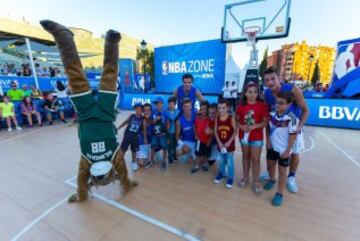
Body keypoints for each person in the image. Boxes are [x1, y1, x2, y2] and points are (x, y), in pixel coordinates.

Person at [40, 19, 136, 203]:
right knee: (77, 74)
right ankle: (101, 41)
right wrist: (127, 184)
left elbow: (86, 182)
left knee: (103, 75)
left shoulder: (103, 160)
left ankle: (70, 39)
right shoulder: (89, 162)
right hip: (99, 115)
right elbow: (84, 181)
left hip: (97, 114)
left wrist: (81, 196)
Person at [262, 66, 308, 193]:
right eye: (267, 80)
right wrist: (267, 138)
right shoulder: (266, 94)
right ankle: (270, 173)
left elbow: (305, 110)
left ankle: (291, 177)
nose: (270, 82)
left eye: (273, 79)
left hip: (293, 126)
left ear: (279, 78)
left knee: (294, 152)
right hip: (277, 127)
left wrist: (299, 128)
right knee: (271, 150)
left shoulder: (292, 90)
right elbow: (267, 115)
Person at [263, 92, 299, 207]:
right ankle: (272, 179)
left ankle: (279, 194)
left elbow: (293, 135)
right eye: (277, 102)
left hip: (284, 150)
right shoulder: (271, 114)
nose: (278, 105)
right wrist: (268, 141)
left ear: (289, 104)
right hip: (272, 146)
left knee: (282, 172)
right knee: (270, 165)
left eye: (281, 103)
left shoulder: (292, 118)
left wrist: (288, 150)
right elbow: (268, 128)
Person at [236, 82, 268, 195]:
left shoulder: (262, 105)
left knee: (256, 159)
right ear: (245, 93)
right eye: (249, 92)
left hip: (256, 137)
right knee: (245, 157)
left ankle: (256, 181)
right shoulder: (240, 106)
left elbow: (265, 122)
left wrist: (254, 126)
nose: (252, 94)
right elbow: (236, 120)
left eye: (255, 91)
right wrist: (241, 126)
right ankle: (245, 177)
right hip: (243, 137)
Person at [213, 99, 236, 189]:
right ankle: (222, 173)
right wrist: (218, 141)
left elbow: (235, 131)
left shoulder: (231, 118)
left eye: (223, 107)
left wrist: (229, 141)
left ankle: (230, 177)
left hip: (229, 144)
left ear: (227, 108)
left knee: (230, 161)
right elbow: (215, 131)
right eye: (219, 108)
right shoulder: (217, 118)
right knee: (222, 160)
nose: (221, 110)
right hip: (220, 144)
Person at [118, 103, 143, 171]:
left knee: (134, 151)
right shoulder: (132, 116)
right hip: (127, 136)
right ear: (135, 109)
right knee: (123, 149)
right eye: (137, 108)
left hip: (135, 137)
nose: (139, 110)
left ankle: (133, 162)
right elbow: (125, 122)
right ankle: (119, 162)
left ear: (142, 110)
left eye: (140, 108)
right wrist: (118, 128)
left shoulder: (143, 119)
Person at [192, 101, 213, 173]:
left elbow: (212, 131)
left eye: (205, 109)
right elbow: (194, 127)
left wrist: (210, 140)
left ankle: (205, 164)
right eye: (201, 109)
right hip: (199, 140)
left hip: (207, 141)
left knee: (206, 154)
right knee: (198, 153)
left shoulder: (210, 119)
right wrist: (196, 135)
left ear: (208, 109)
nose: (203, 111)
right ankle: (196, 165)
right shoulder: (198, 118)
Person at [176, 98, 196, 164]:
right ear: (182, 107)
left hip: (195, 142)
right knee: (178, 153)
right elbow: (177, 136)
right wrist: (182, 145)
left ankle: (192, 155)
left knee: (197, 162)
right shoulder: (179, 120)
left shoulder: (196, 116)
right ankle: (189, 154)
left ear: (191, 106)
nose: (187, 108)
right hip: (185, 142)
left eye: (188, 106)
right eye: (185, 106)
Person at [151, 97, 168, 172]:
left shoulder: (165, 112)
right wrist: (155, 120)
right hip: (155, 133)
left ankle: (164, 162)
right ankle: (152, 160)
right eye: (156, 103)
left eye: (159, 103)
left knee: (164, 145)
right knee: (153, 145)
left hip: (163, 134)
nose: (158, 104)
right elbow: (151, 123)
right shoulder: (153, 112)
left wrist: (165, 132)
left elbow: (168, 123)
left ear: (162, 104)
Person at [136, 103, 153, 168]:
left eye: (148, 110)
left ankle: (151, 154)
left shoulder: (154, 120)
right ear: (143, 112)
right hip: (142, 143)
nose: (147, 112)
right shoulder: (140, 120)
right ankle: (139, 154)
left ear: (151, 111)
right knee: (141, 164)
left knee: (158, 159)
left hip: (151, 144)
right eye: (145, 110)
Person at [164, 96, 179, 165]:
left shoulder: (178, 112)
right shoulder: (166, 112)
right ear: (168, 104)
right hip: (169, 132)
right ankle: (170, 158)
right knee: (170, 145)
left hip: (176, 132)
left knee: (175, 145)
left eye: (173, 104)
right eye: (170, 104)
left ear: (175, 105)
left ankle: (174, 155)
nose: (171, 105)